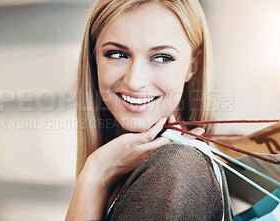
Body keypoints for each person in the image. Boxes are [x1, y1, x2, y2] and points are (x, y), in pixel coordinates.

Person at [66, 0, 229, 220]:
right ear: (94, 59)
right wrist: (98, 172)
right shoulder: (131, 168)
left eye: (162, 58)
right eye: (116, 54)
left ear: (193, 66)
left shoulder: (174, 171)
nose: (134, 81)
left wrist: (97, 173)